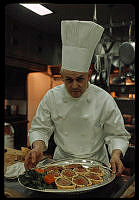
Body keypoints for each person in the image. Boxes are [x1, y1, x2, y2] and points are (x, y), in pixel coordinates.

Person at [24, 20, 131, 176]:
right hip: (61, 164)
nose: (74, 85)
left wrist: (115, 154)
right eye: (69, 80)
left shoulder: (103, 99)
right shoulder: (52, 97)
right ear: (62, 76)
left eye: (80, 79)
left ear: (89, 75)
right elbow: (41, 128)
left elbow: (116, 134)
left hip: (97, 166)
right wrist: (38, 148)